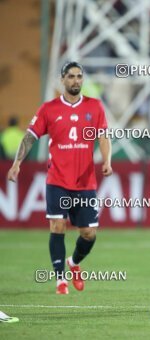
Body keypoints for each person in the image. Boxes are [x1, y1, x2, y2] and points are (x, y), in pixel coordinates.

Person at [6, 62, 112, 294]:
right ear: (62, 79)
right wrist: (17, 163)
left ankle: (73, 263)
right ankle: (60, 280)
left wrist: (107, 160)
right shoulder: (49, 109)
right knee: (57, 225)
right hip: (57, 180)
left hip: (85, 183)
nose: (76, 80)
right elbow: (30, 137)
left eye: (79, 76)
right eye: (71, 76)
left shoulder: (94, 107)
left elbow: (103, 136)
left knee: (88, 233)